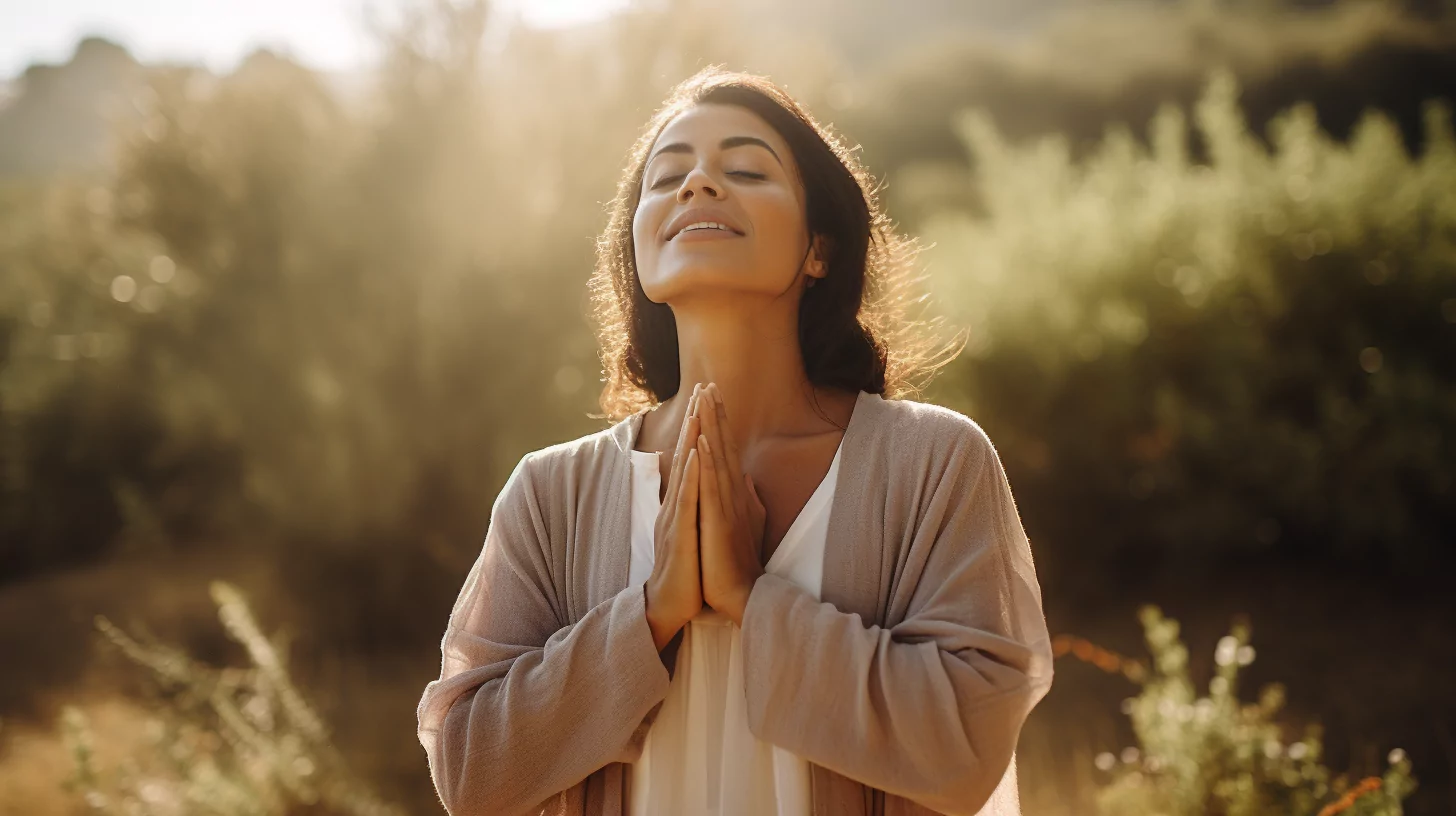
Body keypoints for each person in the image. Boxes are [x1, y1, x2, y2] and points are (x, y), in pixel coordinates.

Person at [416, 67, 1054, 816]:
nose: (698, 186)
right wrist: (653, 612)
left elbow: (966, 750)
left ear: (820, 248)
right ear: (639, 252)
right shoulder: (550, 493)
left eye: (746, 169)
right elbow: (469, 770)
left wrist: (755, 600)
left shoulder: (932, 464)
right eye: (667, 178)